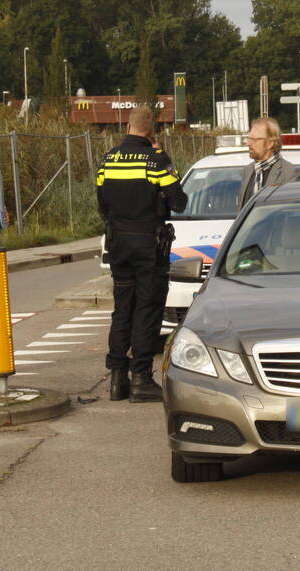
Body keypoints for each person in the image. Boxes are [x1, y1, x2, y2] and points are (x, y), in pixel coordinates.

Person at [97, 107, 187, 402]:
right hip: (148, 244)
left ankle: (117, 379)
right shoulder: (155, 160)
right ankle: (141, 380)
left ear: (128, 125)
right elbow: (179, 201)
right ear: (152, 130)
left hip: (119, 243)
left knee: (123, 308)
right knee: (147, 309)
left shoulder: (108, 159)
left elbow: (102, 205)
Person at [237, 117, 300, 209]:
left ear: (270, 143)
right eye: (249, 138)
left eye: (254, 139)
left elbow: (291, 212)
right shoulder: (248, 171)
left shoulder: (289, 173)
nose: (248, 143)